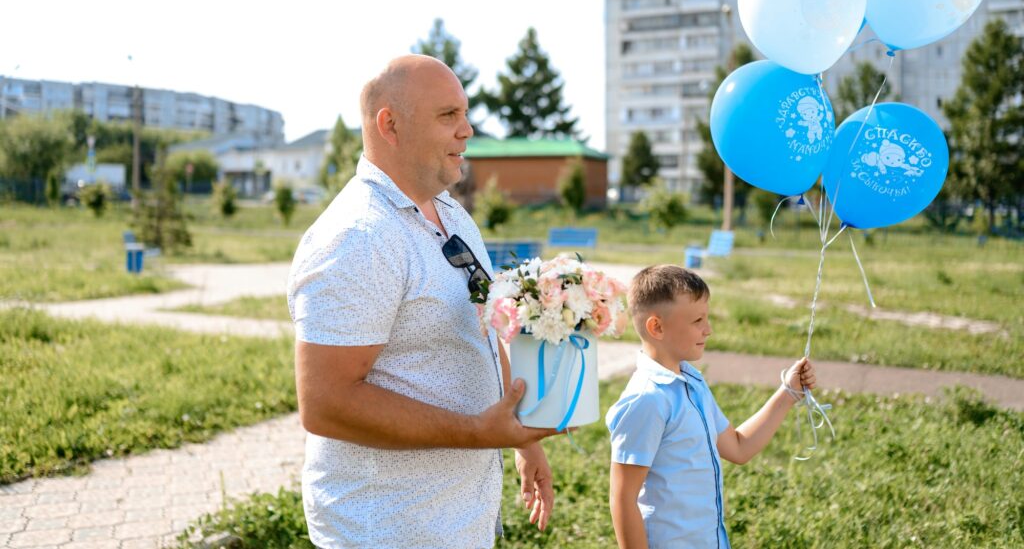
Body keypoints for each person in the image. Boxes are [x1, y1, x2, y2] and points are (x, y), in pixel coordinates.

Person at [288, 55, 558, 548]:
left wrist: (516, 429)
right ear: (390, 125)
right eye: (448, 116)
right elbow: (326, 404)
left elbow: (484, 319)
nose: (468, 130)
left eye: (465, 113)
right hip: (387, 528)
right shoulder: (358, 237)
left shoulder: (452, 213)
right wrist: (480, 431)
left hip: (457, 518)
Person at [606, 265, 817, 549]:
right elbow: (622, 499)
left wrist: (789, 392)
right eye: (697, 320)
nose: (709, 329)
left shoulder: (692, 382)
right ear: (656, 327)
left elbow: (738, 447)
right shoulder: (647, 400)